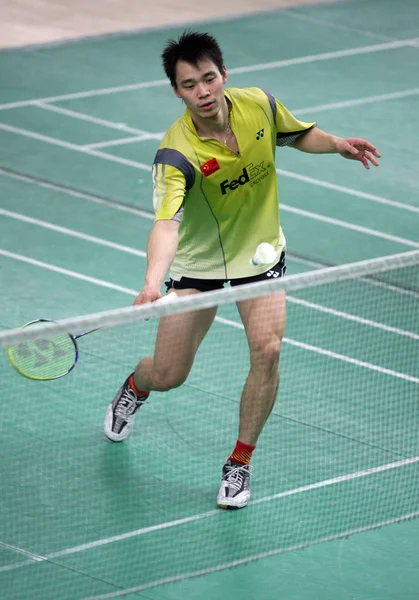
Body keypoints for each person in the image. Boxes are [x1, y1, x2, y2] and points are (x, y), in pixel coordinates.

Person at [104, 31, 380, 509]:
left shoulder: (259, 105)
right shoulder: (176, 154)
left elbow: (295, 134)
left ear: (224, 74)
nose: (203, 92)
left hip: (260, 257)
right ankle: (135, 387)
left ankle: (240, 461)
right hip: (200, 269)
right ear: (176, 91)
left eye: (209, 78)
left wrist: (336, 144)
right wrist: (152, 282)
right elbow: (166, 225)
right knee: (169, 373)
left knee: (268, 350)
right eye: (190, 85)